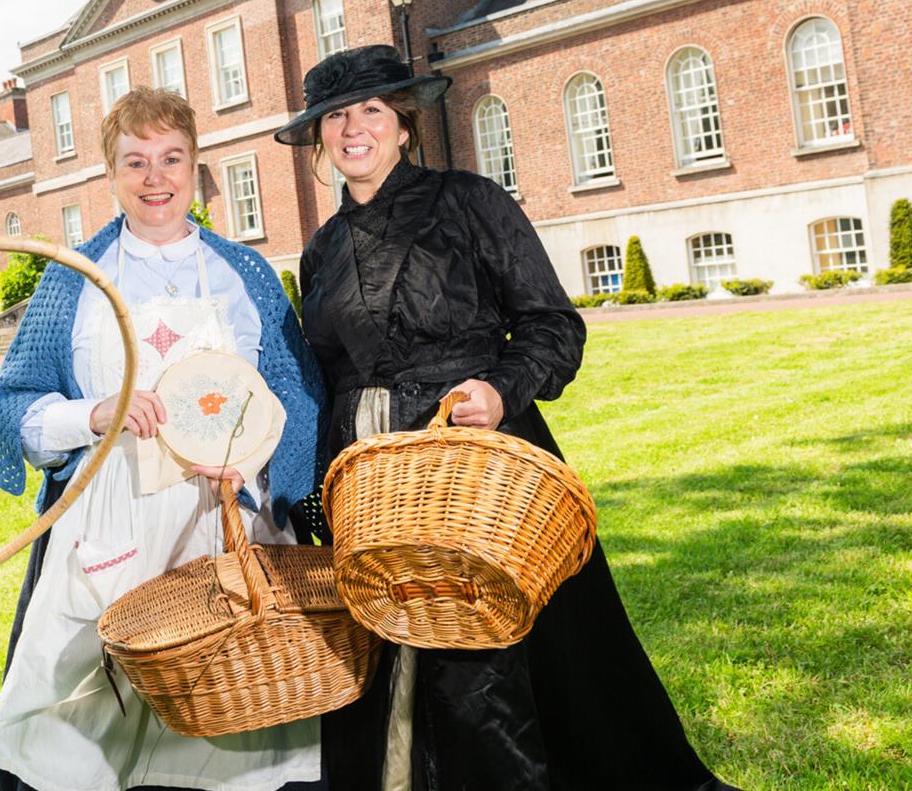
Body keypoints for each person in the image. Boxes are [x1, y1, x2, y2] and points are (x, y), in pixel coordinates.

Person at [274, 45, 741, 791]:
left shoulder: (471, 202)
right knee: (380, 662)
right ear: (319, 138)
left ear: (403, 125)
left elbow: (555, 327)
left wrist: (499, 388)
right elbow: (323, 379)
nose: (352, 129)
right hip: (372, 488)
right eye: (334, 116)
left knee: (483, 670)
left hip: (478, 464)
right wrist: (313, 494)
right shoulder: (322, 249)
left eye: (371, 111)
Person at [0, 87, 325, 791]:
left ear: (197, 168)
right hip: (109, 532)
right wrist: (94, 414)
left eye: (171, 158)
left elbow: (296, 393)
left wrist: (258, 478)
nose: (155, 177)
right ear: (109, 175)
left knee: (227, 732)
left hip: (226, 529)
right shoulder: (73, 279)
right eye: (135, 161)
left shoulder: (246, 274)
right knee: (79, 739)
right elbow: (13, 407)